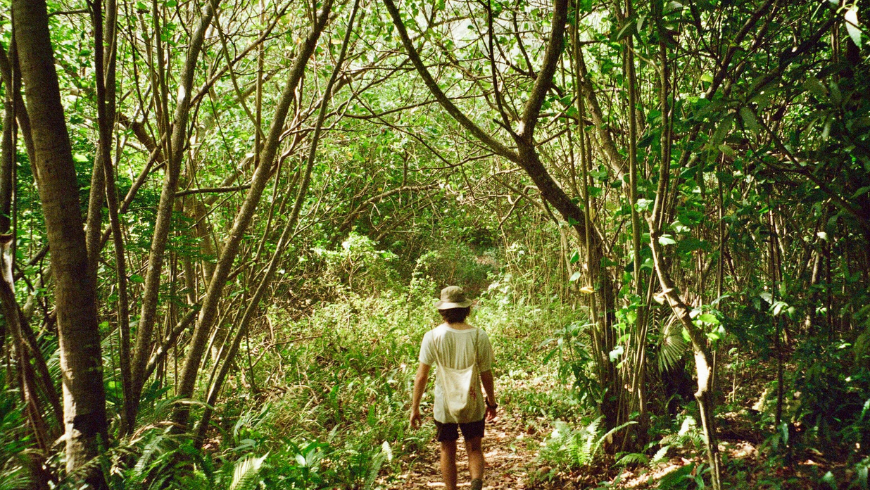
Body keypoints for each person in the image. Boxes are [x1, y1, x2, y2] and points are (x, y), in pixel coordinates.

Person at [410, 286, 497, 490]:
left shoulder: (432, 336)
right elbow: (486, 374)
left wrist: (415, 407)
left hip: (444, 403)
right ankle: (476, 483)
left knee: (447, 449)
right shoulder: (479, 336)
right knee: (474, 448)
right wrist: (491, 403)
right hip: (473, 400)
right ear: (466, 309)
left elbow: (422, 375)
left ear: (443, 310)